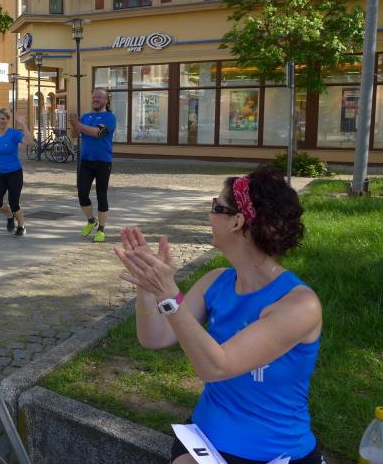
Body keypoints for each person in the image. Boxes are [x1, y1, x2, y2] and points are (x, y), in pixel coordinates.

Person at [113, 166, 324, 464]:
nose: (210, 215)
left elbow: (216, 367)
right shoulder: (216, 281)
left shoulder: (299, 305)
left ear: (237, 221)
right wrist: (148, 286)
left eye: (216, 206)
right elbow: (155, 337)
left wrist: (168, 294)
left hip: (275, 453)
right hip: (204, 439)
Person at [69, 88, 117, 243]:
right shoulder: (86, 116)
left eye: (99, 97)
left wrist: (78, 124)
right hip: (86, 161)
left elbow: (98, 133)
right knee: (82, 193)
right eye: (94, 97)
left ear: (106, 100)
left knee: (101, 195)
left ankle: (101, 229)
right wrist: (73, 125)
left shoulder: (110, 117)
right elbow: (74, 135)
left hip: (103, 161)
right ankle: (91, 221)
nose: (95, 99)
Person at [0, 108, 34, 236]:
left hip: (14, 173)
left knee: (14, 203)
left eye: (3, 118)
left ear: (7, 120)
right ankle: (10, 216)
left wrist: (23, 124)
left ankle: (21, 226)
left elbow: (30, 142)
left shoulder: (13, 134)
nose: (0, 121)